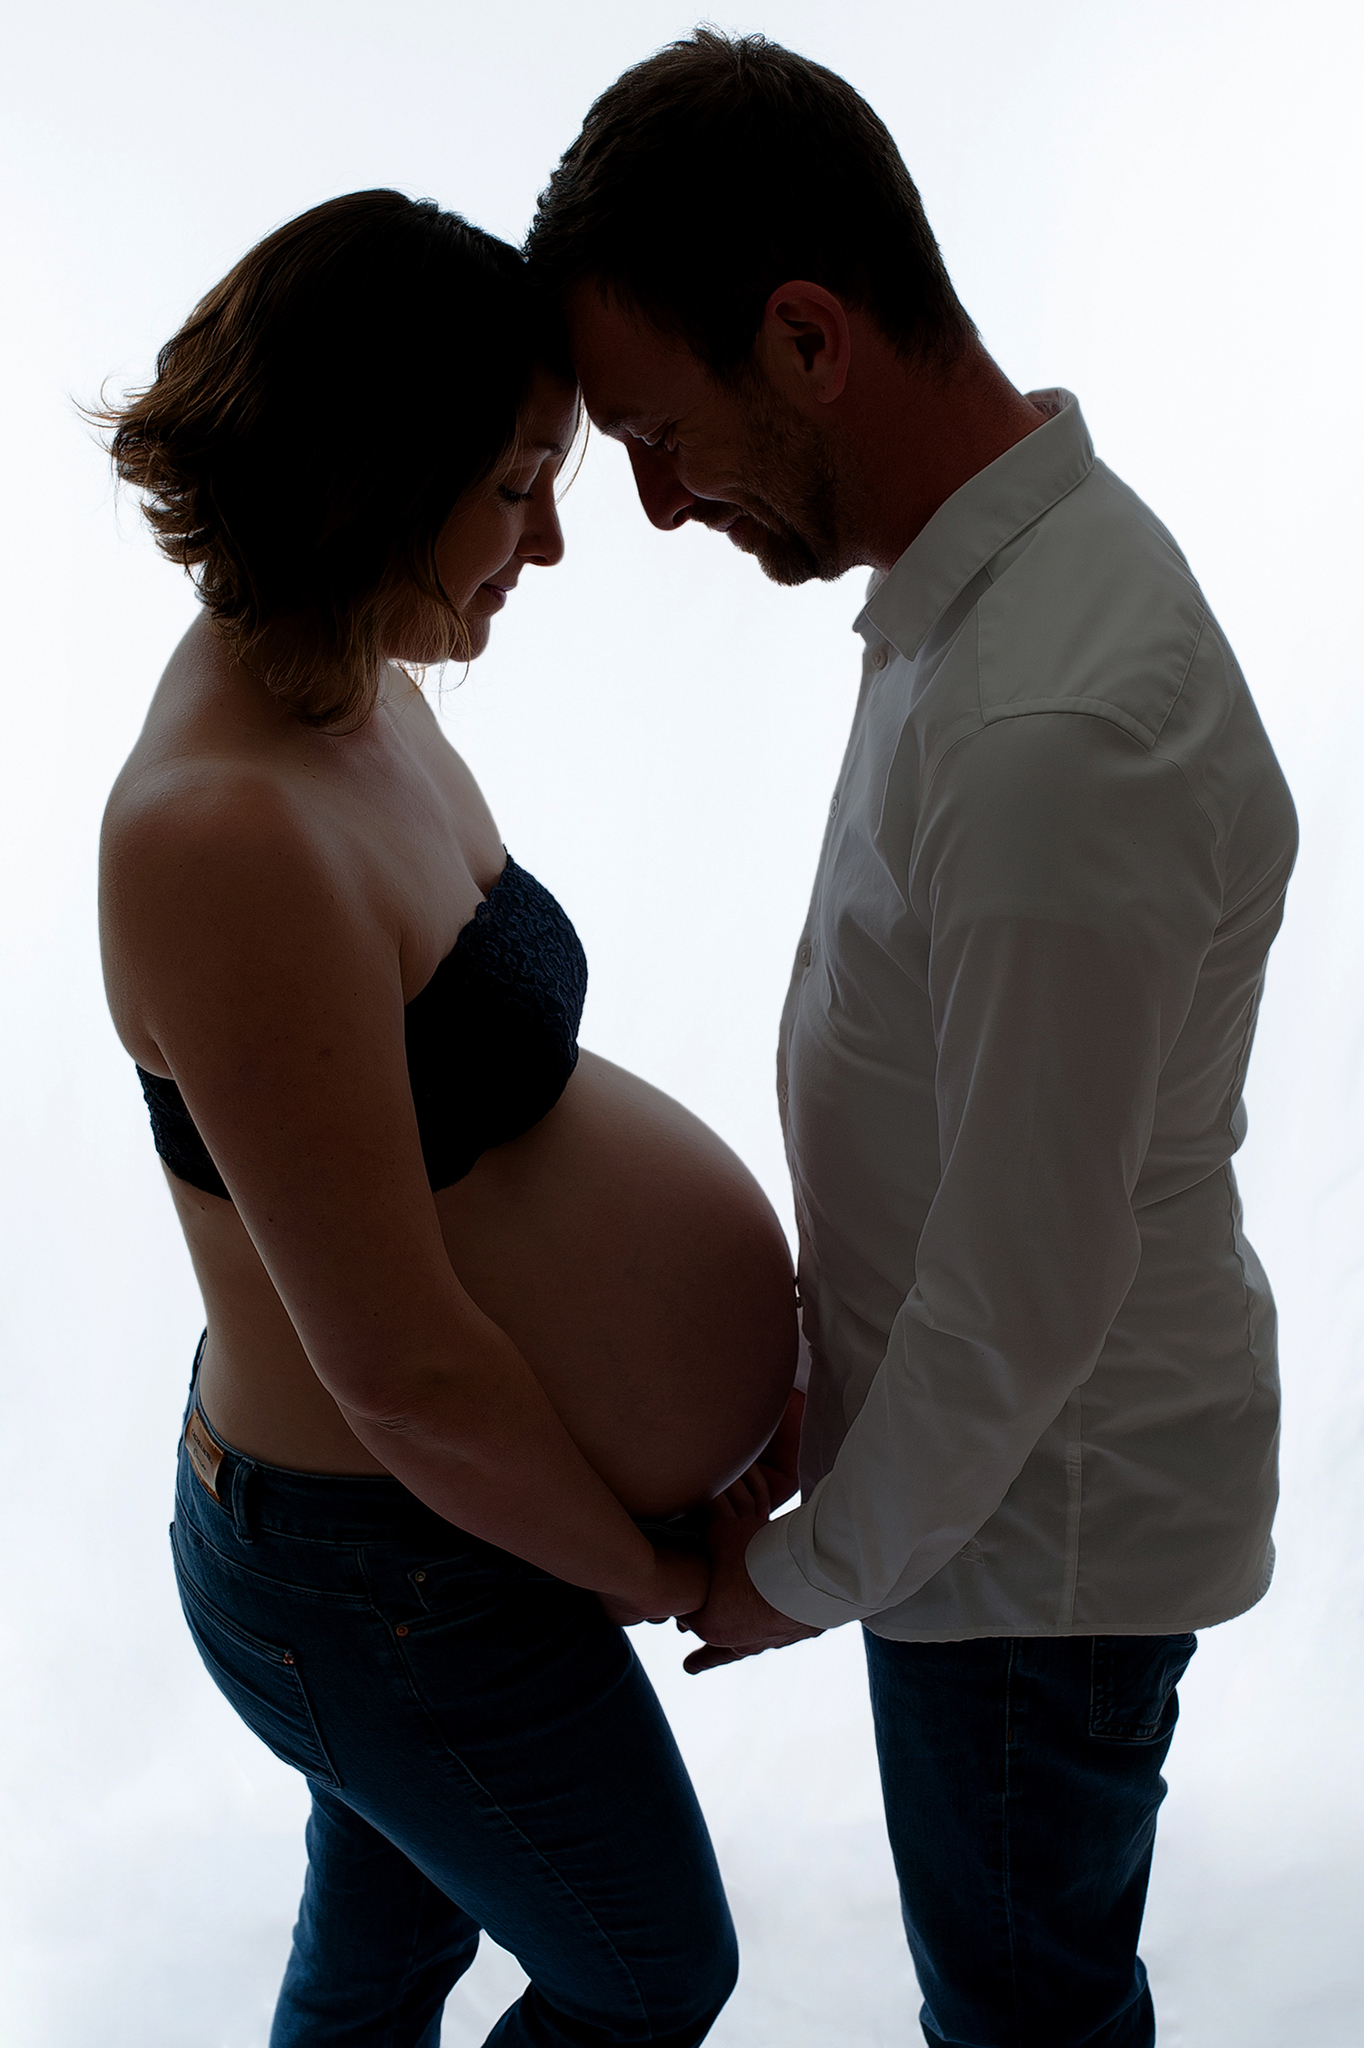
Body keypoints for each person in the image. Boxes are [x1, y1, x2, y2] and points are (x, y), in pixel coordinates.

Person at [526, 30, 1298, 2048]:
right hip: (983, 1506)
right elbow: (953, 1130)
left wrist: (796, 1566)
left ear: (803, 335)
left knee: (1021, 2017)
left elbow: (1024, 1290)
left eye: (659, 434)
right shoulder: (982, 598)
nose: (656, 501)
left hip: (1025, 1556)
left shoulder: (1049, 724)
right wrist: (807, 1402)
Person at [96, 188, 801, 2048]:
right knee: (652, 1971)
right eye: (514, 484)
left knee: (383, 1958)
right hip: (380, 1574)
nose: (553, 542)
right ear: (367, 470)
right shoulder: (220, 830)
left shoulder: (355, 698)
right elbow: (403, 1368)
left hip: (443, 1539)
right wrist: (654, 1567)